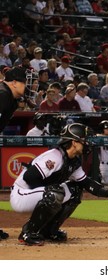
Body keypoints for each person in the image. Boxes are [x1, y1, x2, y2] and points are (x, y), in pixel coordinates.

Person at [10, 123, 108, 246]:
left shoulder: (73, 161)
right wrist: (48, 191)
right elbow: (29, 177)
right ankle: (28, 232)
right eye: (84, 140)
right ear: (74, 142)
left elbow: (86, 183)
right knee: (55, 193)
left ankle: (49, 231)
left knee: (75, 190)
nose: (87, 143)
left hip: (38, 193)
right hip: (22, 194)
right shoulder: (55, 156)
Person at [0, 66, 32, 241]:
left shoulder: (9, 97)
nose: (26, 86)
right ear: (13, 83)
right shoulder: (3, 94)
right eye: (24, 82)